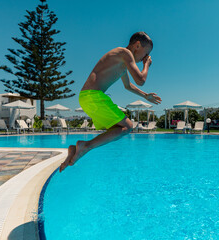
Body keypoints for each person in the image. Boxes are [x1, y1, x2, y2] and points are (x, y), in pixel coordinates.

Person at [59, 32, 161, 172]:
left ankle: (74, 150)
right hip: (94, 96)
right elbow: (141, 80)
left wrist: (145, 96)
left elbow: (128, 85)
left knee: (118, 128)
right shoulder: (124, 53)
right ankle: (85, 146)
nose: (145, 57)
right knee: (128, 126)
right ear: (137, 45)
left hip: (87, 97)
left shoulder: (123, 60)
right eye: (146, 53)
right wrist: (147, 65)